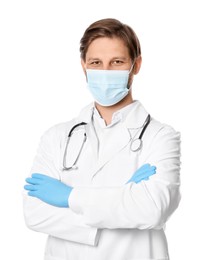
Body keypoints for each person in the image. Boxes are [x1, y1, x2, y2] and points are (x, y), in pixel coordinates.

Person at [23, 18, 181, 260]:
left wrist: (69, 197)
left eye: (117, 62)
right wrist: (123, 196)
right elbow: (35, 213)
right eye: (96, 63)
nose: (105, 71)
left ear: (135, 65)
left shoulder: (161, 136)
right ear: (84, 67)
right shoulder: (56, 137)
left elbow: (151, 210)